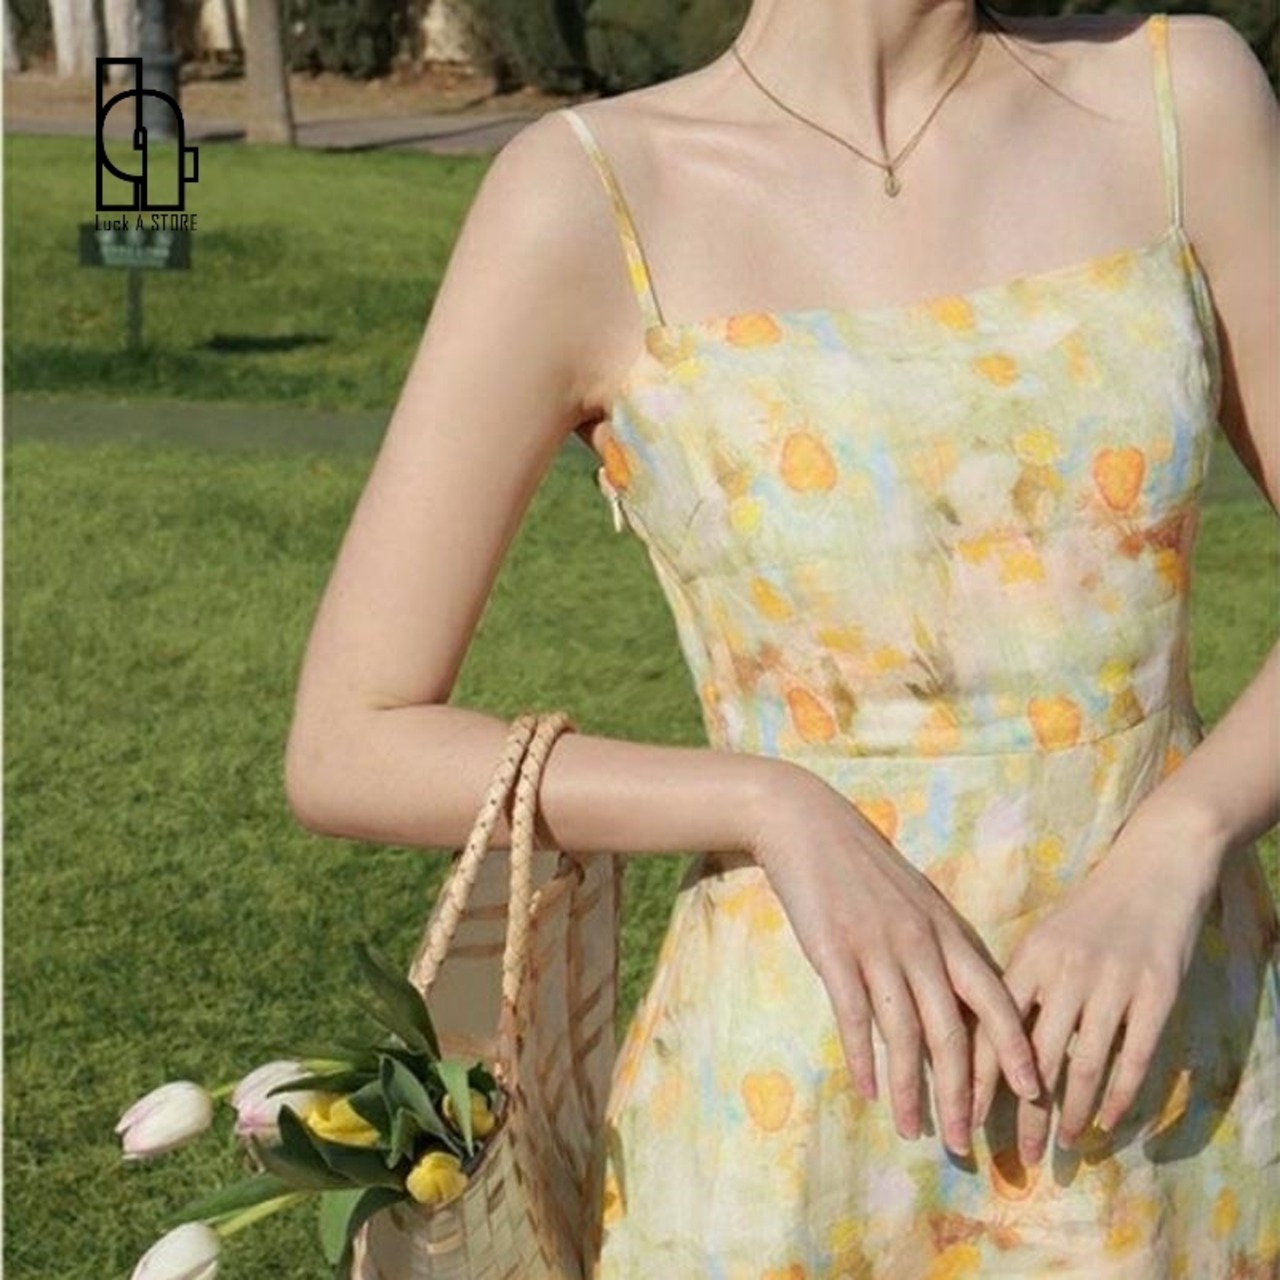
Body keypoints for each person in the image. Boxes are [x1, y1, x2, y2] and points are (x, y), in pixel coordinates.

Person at [284, 2, 1279, 1274]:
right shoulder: (589, 197)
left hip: (1172, 1088)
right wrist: (769, 802)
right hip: (790, 1111)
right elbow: (348, 739)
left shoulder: (1178, 100)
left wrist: (1181, 831)